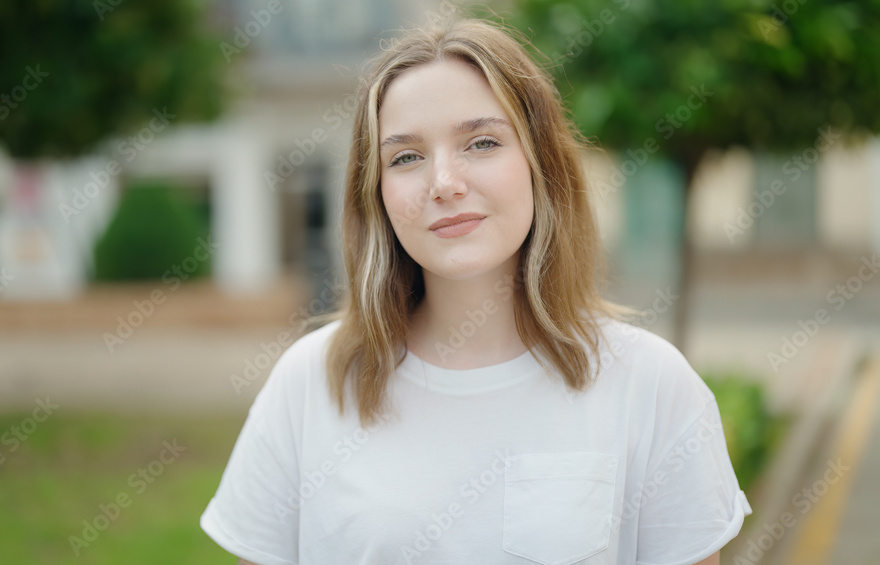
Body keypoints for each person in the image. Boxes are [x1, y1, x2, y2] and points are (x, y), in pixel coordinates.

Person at [200, 17, 751, 565]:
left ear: (542, 166)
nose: (443, 183)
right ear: (377, 195)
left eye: (481, 142)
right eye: (406, 157)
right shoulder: (310, 383)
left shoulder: (650, 385)